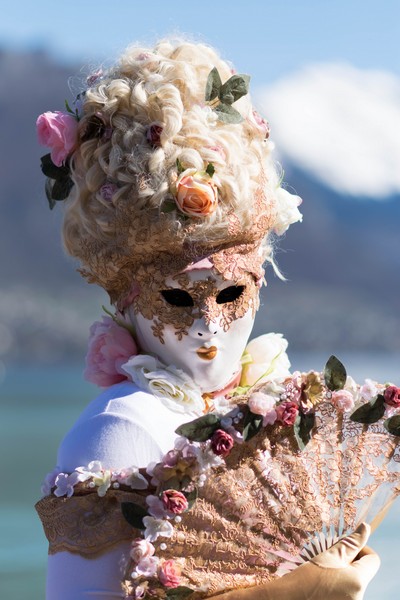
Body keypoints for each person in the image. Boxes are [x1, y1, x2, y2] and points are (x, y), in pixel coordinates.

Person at [36, 39, 380, 599]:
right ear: (127, 296)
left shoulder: (256, 404)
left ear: (261, 282)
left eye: (231, 293)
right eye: (176, 299)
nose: (207, 326)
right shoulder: (122, 429)